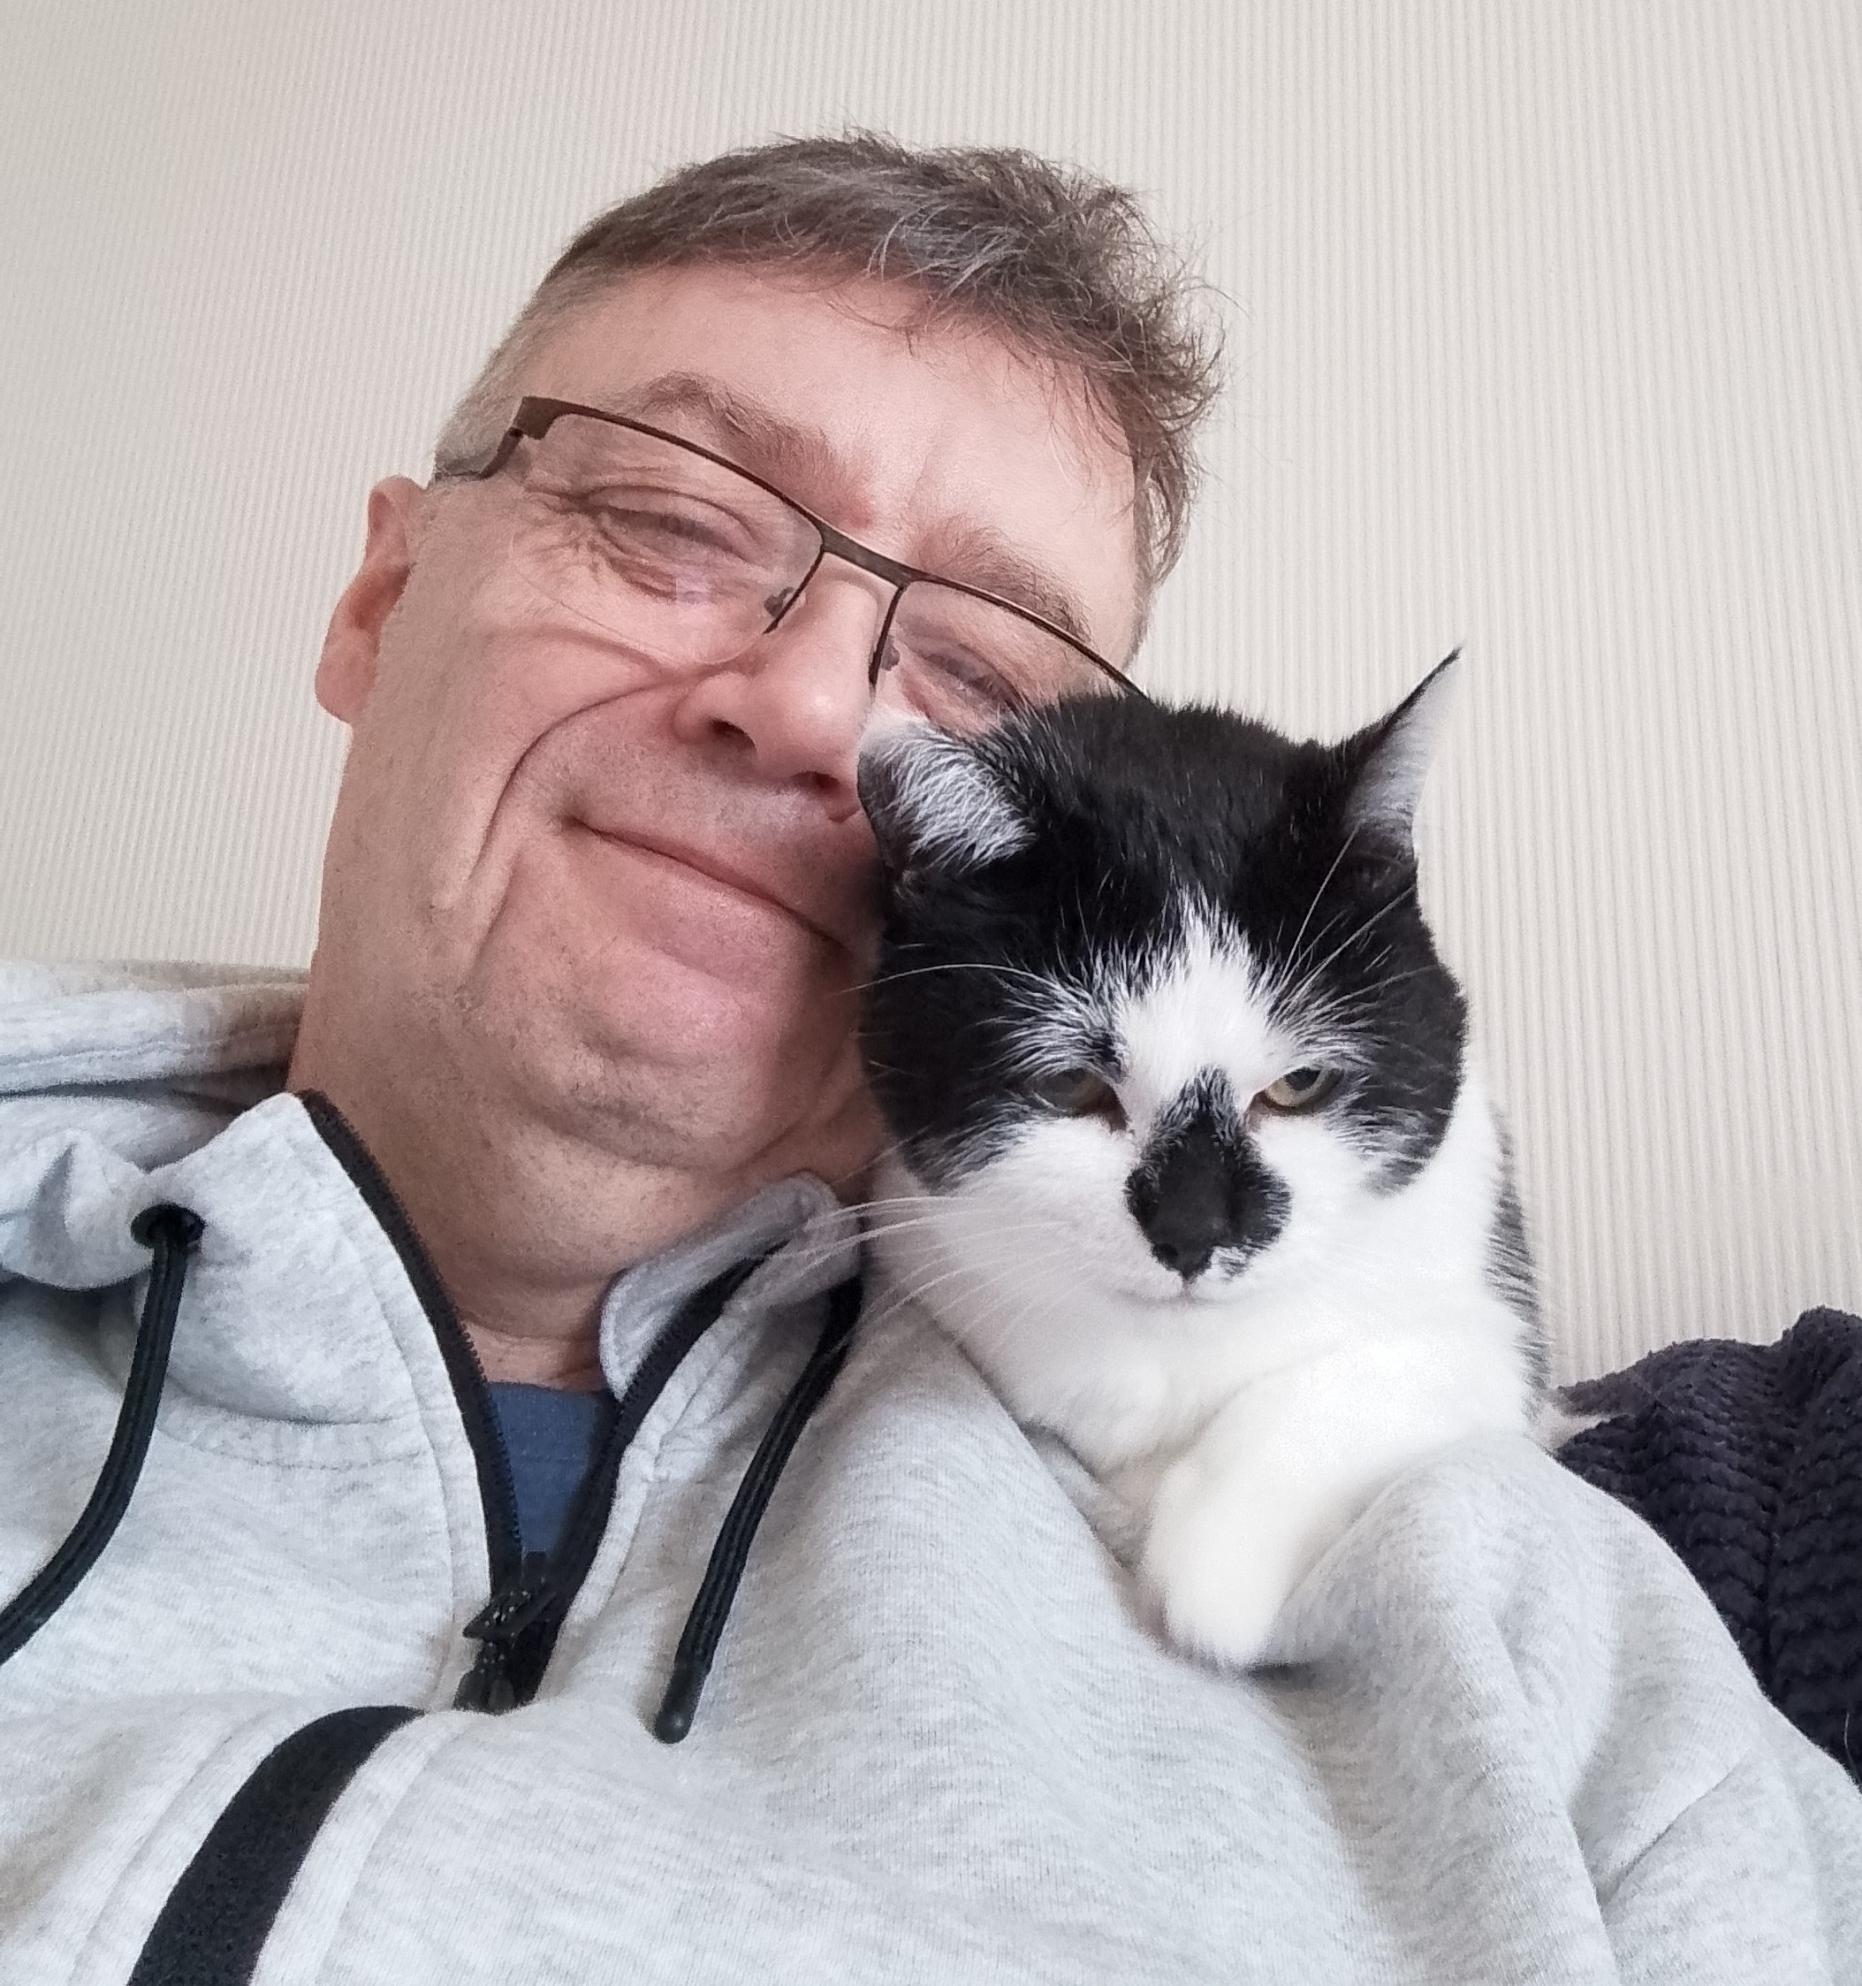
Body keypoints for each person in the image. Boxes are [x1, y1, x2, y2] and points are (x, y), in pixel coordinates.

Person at [0, 134, 1856, 1985]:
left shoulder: (1532, 1635)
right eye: (674, 523)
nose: (820, 710)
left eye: (976, 668)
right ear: (379, 600)